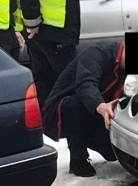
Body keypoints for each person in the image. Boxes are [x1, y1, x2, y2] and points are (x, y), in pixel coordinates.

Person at [42, 39, 125, 177]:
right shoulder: (97, 52)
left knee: (112, 154)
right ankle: (78, 159)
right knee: (74, 105)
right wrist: (101, 106)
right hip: (66, 106)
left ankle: (91, 137)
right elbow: (86, 84)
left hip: (98, 109)